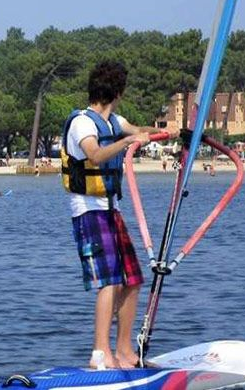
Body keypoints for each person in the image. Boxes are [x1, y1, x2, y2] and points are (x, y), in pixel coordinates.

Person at [60, 61, 164, 370]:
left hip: (111, 210)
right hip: (88, 211)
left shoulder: (115, 121)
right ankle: (100, 354)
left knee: (132, 280)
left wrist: (171, 134)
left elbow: (142, 132)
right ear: (118, 93)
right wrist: (127, 142)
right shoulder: (82, 123)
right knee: (109, 281)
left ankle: (124, 351)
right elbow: (94, 154)